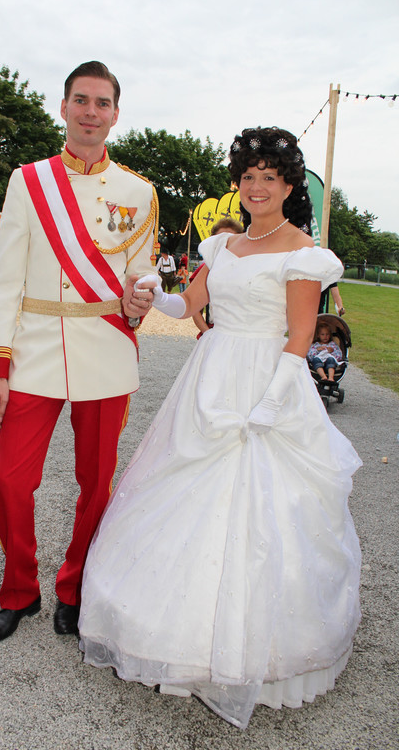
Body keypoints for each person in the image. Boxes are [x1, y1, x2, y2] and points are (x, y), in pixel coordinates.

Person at [79, 127, 362, 729]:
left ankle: (255, 648)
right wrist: (153, 294)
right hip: (209, 376)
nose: (257, 187)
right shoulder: (221, 246)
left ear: (289, 186)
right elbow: (189, 307)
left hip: (268, 380)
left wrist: (270, 405)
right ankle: (170, 633)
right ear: (238, 183)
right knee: (181, 487)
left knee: (263, 505)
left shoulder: (302, 252)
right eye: (248, 176)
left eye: (270, 177)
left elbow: (299, 337)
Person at [0, 61, 158, 643]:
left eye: (102, 103)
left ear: (115, 114)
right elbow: (5, 279)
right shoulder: (28, 181)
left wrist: (140, 299)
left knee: (96, 486)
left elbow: (140, 275)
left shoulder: (139, 192)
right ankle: (19, 591)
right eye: (81, 100)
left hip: (105, 354)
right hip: (33, 355)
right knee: (10, 483)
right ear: (63, 107)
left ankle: (74, 588)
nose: (90, 112)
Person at [192, 217, 244, 337]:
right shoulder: (207, 268)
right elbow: (194, 309)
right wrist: (208, 334)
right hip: (214, 331)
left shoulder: (248, 268)